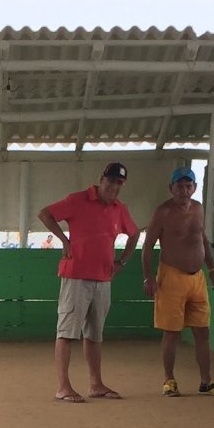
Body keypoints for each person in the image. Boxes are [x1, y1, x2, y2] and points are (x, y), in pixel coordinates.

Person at [38, 162, 140, 403]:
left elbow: (134, 234)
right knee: (66, 331)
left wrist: (122, 261)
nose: (113, 186)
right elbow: (45, 214)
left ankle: (96, 384)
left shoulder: (119, 209)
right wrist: (64, 239)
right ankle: (63, 386)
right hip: (76, 276)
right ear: (101, 179)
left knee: (95, 334)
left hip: (104, 278)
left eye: (119, 183)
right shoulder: (79, 199)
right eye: (111, 181)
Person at [140, 166, 214, 398]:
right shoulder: (163, 212)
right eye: (179, 186)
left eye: (188, 185)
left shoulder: (199, 209)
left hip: (197, 277)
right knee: (171, 332)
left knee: (203, 331)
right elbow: (148, 245)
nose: (184, 190)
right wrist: (149, 276)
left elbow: (203, 239)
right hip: (171, 276)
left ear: (195, 187)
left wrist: (213, 268)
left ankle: (206, 382)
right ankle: (169, 380)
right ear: (171, 188)